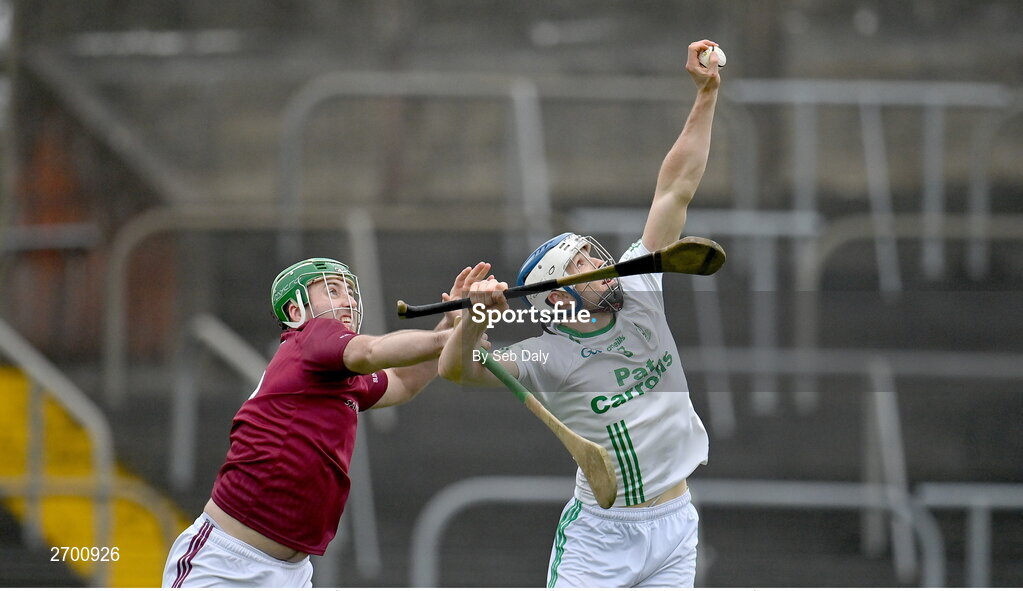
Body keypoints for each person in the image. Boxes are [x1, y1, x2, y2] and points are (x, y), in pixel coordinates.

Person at [439, 39, 722, 588]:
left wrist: (707, 96)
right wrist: (475, 317)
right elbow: (461, 368)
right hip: (602, 537)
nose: (603, 263)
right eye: (585, 262)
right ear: (559, 299)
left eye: (593, 252)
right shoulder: (550, 353)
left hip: (677, 522)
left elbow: (674, 190)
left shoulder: (640, 291)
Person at [162, 257, 490, 587]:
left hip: (292, 574)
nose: (347, 300)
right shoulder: (311, 338)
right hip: (227, 565)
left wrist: (452, 326)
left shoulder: (338, 373)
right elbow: (373, 351)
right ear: (295, 312)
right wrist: (451, 338)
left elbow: (403, 382)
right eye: (332, 290)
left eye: (349, 291)